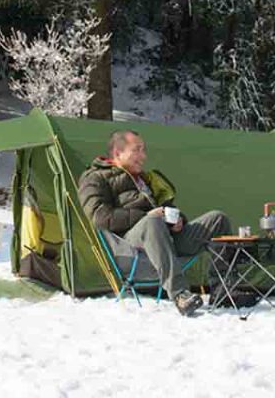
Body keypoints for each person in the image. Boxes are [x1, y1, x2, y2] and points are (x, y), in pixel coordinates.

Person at [78, 129, 232, 316]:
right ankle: (180, 294)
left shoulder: (146, 179)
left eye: (144, 150)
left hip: (165, 240)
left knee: (217, 219)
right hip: (130, 249)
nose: (143, 156)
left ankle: (224, 291)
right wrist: (147, 216)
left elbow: (167, 208)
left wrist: (177, 219)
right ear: (118, 153)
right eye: (137, 150)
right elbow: (99, 217)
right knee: (152, 222)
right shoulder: (95, 177)